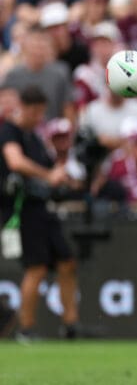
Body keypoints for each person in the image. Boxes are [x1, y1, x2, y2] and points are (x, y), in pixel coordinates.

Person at [0, 86, 81, 341]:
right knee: (36, 268)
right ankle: (26, 328)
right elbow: (15, 162)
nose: (39, 117)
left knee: (67, 262)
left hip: (41, 209)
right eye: (36, 112)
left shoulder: (34, 137)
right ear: (24, 108)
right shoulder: (9, 131)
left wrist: (66, 179)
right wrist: (48, 176)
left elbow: (50, 169)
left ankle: (70, 326)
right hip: (20, 210)